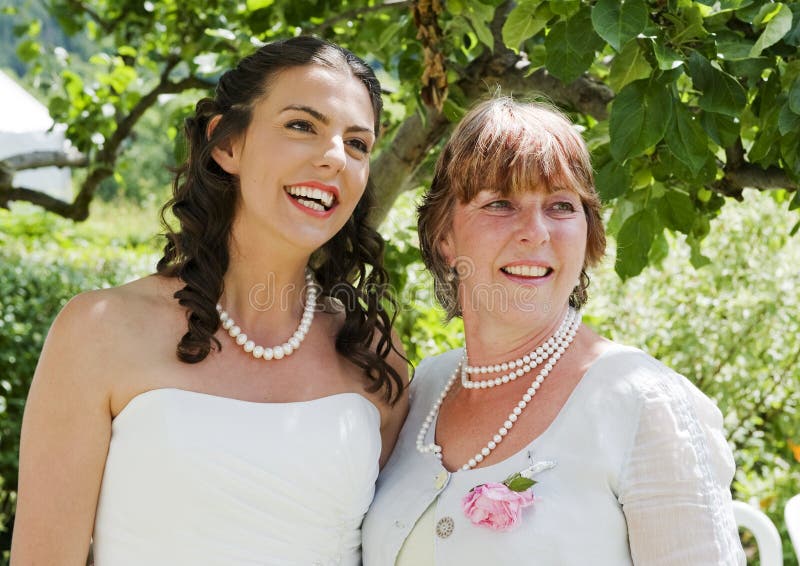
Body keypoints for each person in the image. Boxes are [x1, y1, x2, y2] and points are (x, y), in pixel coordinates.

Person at [11, 36, 408, 565]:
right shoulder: (100, 329)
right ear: (226, 143)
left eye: (357, 144)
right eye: (301, 126)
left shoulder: (371, 352)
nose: (334, 156)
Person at [362, 97, 745, 565]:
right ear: (445, 237)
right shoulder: (423, 390)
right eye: (501, 203)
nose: (535, 232)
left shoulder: (649, 406)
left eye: (562, 206)